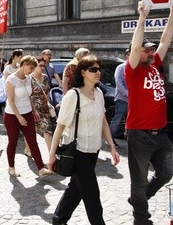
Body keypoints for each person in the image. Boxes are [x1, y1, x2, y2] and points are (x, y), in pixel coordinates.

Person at [125, 0, 173, 225]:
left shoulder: (155, 64)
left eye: (150, 49)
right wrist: (142, 18)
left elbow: (166, 40)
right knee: (138, 180)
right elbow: (136, 45)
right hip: (140, 134)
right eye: (146, 50)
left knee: (166, 173)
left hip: (161, 133)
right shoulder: (133, 70)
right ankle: (141, 217)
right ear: (137, 54)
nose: (150, 51)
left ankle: (140, 199)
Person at [48, 55, 120, 225]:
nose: (98, 72)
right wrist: (52, 154)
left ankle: (58, 221)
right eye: (93, 69)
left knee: (75, 190)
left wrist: (111, 146)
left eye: (99, 69)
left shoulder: (99, 93)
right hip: (78, 151)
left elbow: (103, 121)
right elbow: (60, 126)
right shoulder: (73, 96)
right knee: (91, 194)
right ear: (83, 72)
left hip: (93, 150)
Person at [4, 55, 52, 178]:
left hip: (28, 112)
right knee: (13, 142)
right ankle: (11, 167)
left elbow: (29, 96)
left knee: (33, 141)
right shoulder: (11, 79)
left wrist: (34, 110)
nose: (31, 70)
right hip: (12, 115)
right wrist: (18, 116)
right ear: (24, 64)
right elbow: (10, 100)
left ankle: (41, 168)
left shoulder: (28, 79)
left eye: (33, 68)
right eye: (30, 68)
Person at [30, 56, 54, 151]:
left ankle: (52, 154)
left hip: (44, 109)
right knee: (31, 132)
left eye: (43, 65)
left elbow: (47, 92)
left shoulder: (45, 77)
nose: (42, 68)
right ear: (34, 66)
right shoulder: (29, 78)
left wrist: (47, 103)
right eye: (40, 65)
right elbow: (29, 95)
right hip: (33, 109)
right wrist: (33, 110)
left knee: (47, 130)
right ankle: (28, 149)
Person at [110, 49, 130, 147]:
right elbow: (119, 83)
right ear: (127, 56)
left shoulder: (137, 67)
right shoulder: (121, 68)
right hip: (122, 99)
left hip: (134, 100)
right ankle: (110, 140)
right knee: (117, 120)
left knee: (130, 120)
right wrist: (128, 94)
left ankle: (130, 139)